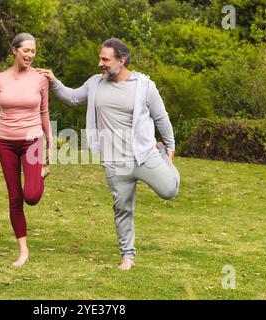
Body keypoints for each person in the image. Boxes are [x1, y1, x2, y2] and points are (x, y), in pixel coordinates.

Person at [37, 38, 180, 270]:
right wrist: (54, 81)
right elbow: (72, 97)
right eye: (100, 58)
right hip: (115, 161)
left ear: (121, 61)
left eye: (105, 59)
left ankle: (162, 153)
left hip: (144, 155)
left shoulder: (144, 86)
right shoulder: (95, 83)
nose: (100, 63)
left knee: (169, 190)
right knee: (122, 208)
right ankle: (127, 255)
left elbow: (161, 117)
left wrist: (170, 149)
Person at [0, 33, 53, 267]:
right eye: (26, 50)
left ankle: (41, 175)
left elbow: (44, 112)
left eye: (33, 51)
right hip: (5, 142)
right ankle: (23, 251)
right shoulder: (0, 79)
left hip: (32, 140)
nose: (30, 55)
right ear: (14, 50)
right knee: (15, 197)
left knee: (32, 197)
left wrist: (50, 141)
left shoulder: (40, 79)